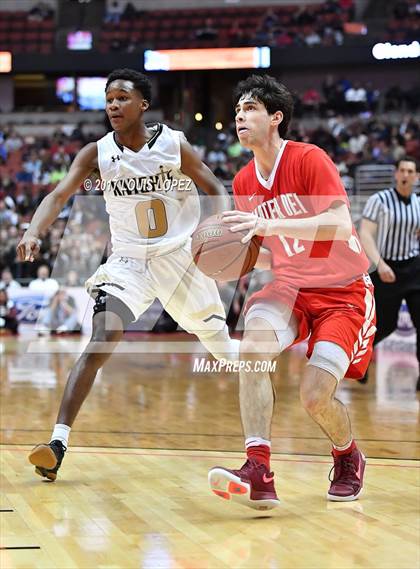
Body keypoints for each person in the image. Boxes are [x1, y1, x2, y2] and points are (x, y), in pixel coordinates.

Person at [17, 68, 239, 481]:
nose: (114, 105)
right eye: (109, 99)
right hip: (128, 261)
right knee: (102, 337)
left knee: (226, 353)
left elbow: (214, 187)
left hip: (178, 258)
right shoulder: (95, 153)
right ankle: (58, 443)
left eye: (122, 98)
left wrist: (218, 230)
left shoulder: (174, 144)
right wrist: (33, 230)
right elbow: (60, 193)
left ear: (143, 104)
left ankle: (258, 442)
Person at [208, 74, 376, 510]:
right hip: (291, 286)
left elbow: (339, 225)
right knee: (252, 349)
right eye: (238, 111)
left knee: (314, 396)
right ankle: (258, 469)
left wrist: (267, 225)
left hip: (343, 292)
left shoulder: (308, 159)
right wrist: (229, 264)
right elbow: (268, 255)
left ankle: (347, 455)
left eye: (250, 109)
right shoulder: (244, 181)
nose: (240, 117)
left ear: (276, 118)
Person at [359, 157, 420, 389]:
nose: (406, 174)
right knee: (385, 324)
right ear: (396, 174)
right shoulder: (379, 200)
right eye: (402, 170)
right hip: (385, 268)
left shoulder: (418, 203)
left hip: (413, 269)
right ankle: (362, 360)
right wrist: (380, 264)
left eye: (410, 171)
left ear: (416, 177)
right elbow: (365, 235)